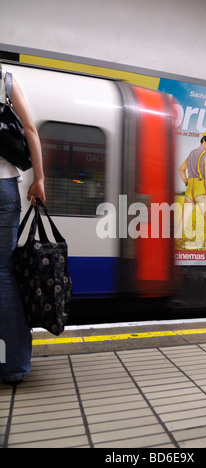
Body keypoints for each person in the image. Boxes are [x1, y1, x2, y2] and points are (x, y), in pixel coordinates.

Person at [0, 65, 46, 385]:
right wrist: (39, 178)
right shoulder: (4, 79)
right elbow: (29, 128)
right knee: (5, 274)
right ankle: (13, 365)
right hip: (3, 189)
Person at [176, 127, 206, 245]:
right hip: (200, 190)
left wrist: (187, 182)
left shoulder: (191, 153)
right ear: (204, 140)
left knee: (182, 223)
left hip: (189, 190)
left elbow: (181, 169)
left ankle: (172, 247)